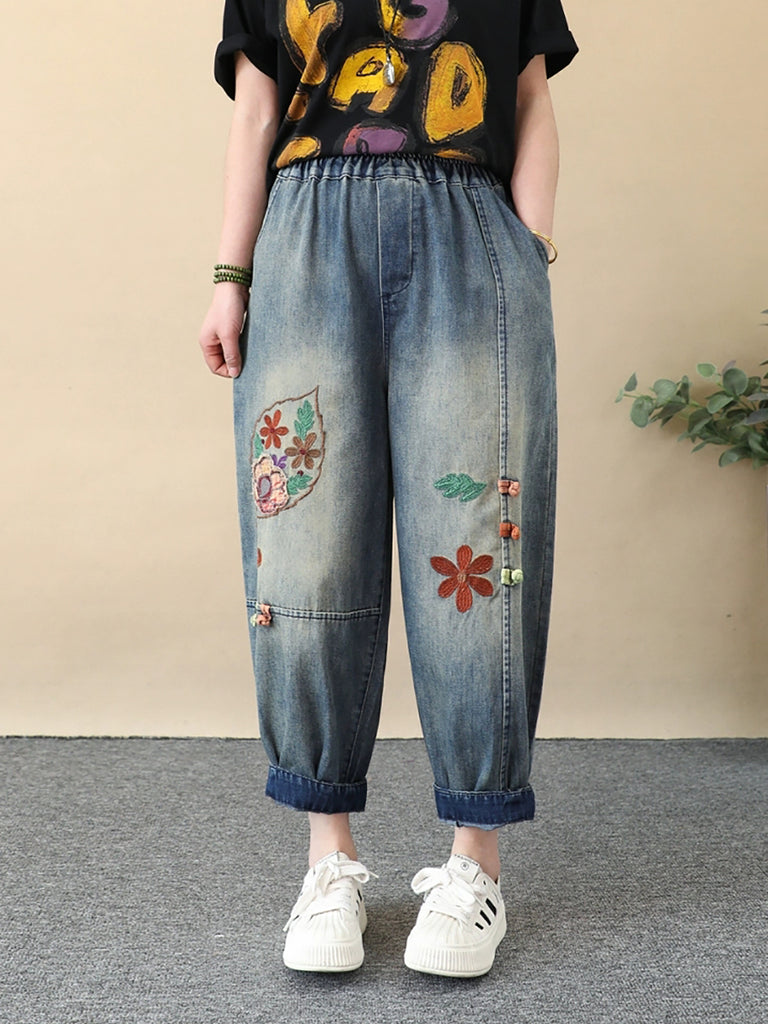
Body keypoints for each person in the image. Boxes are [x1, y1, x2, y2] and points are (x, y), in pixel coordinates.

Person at [198, 0, 577, 979]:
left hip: (472, 238)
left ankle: (475, 862)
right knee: (307, 539)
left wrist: (529, 251)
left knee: (476, 544)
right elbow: (256, 112)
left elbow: (530, 99)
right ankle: (328, 859)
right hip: (305, 242)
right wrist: (230, 275)